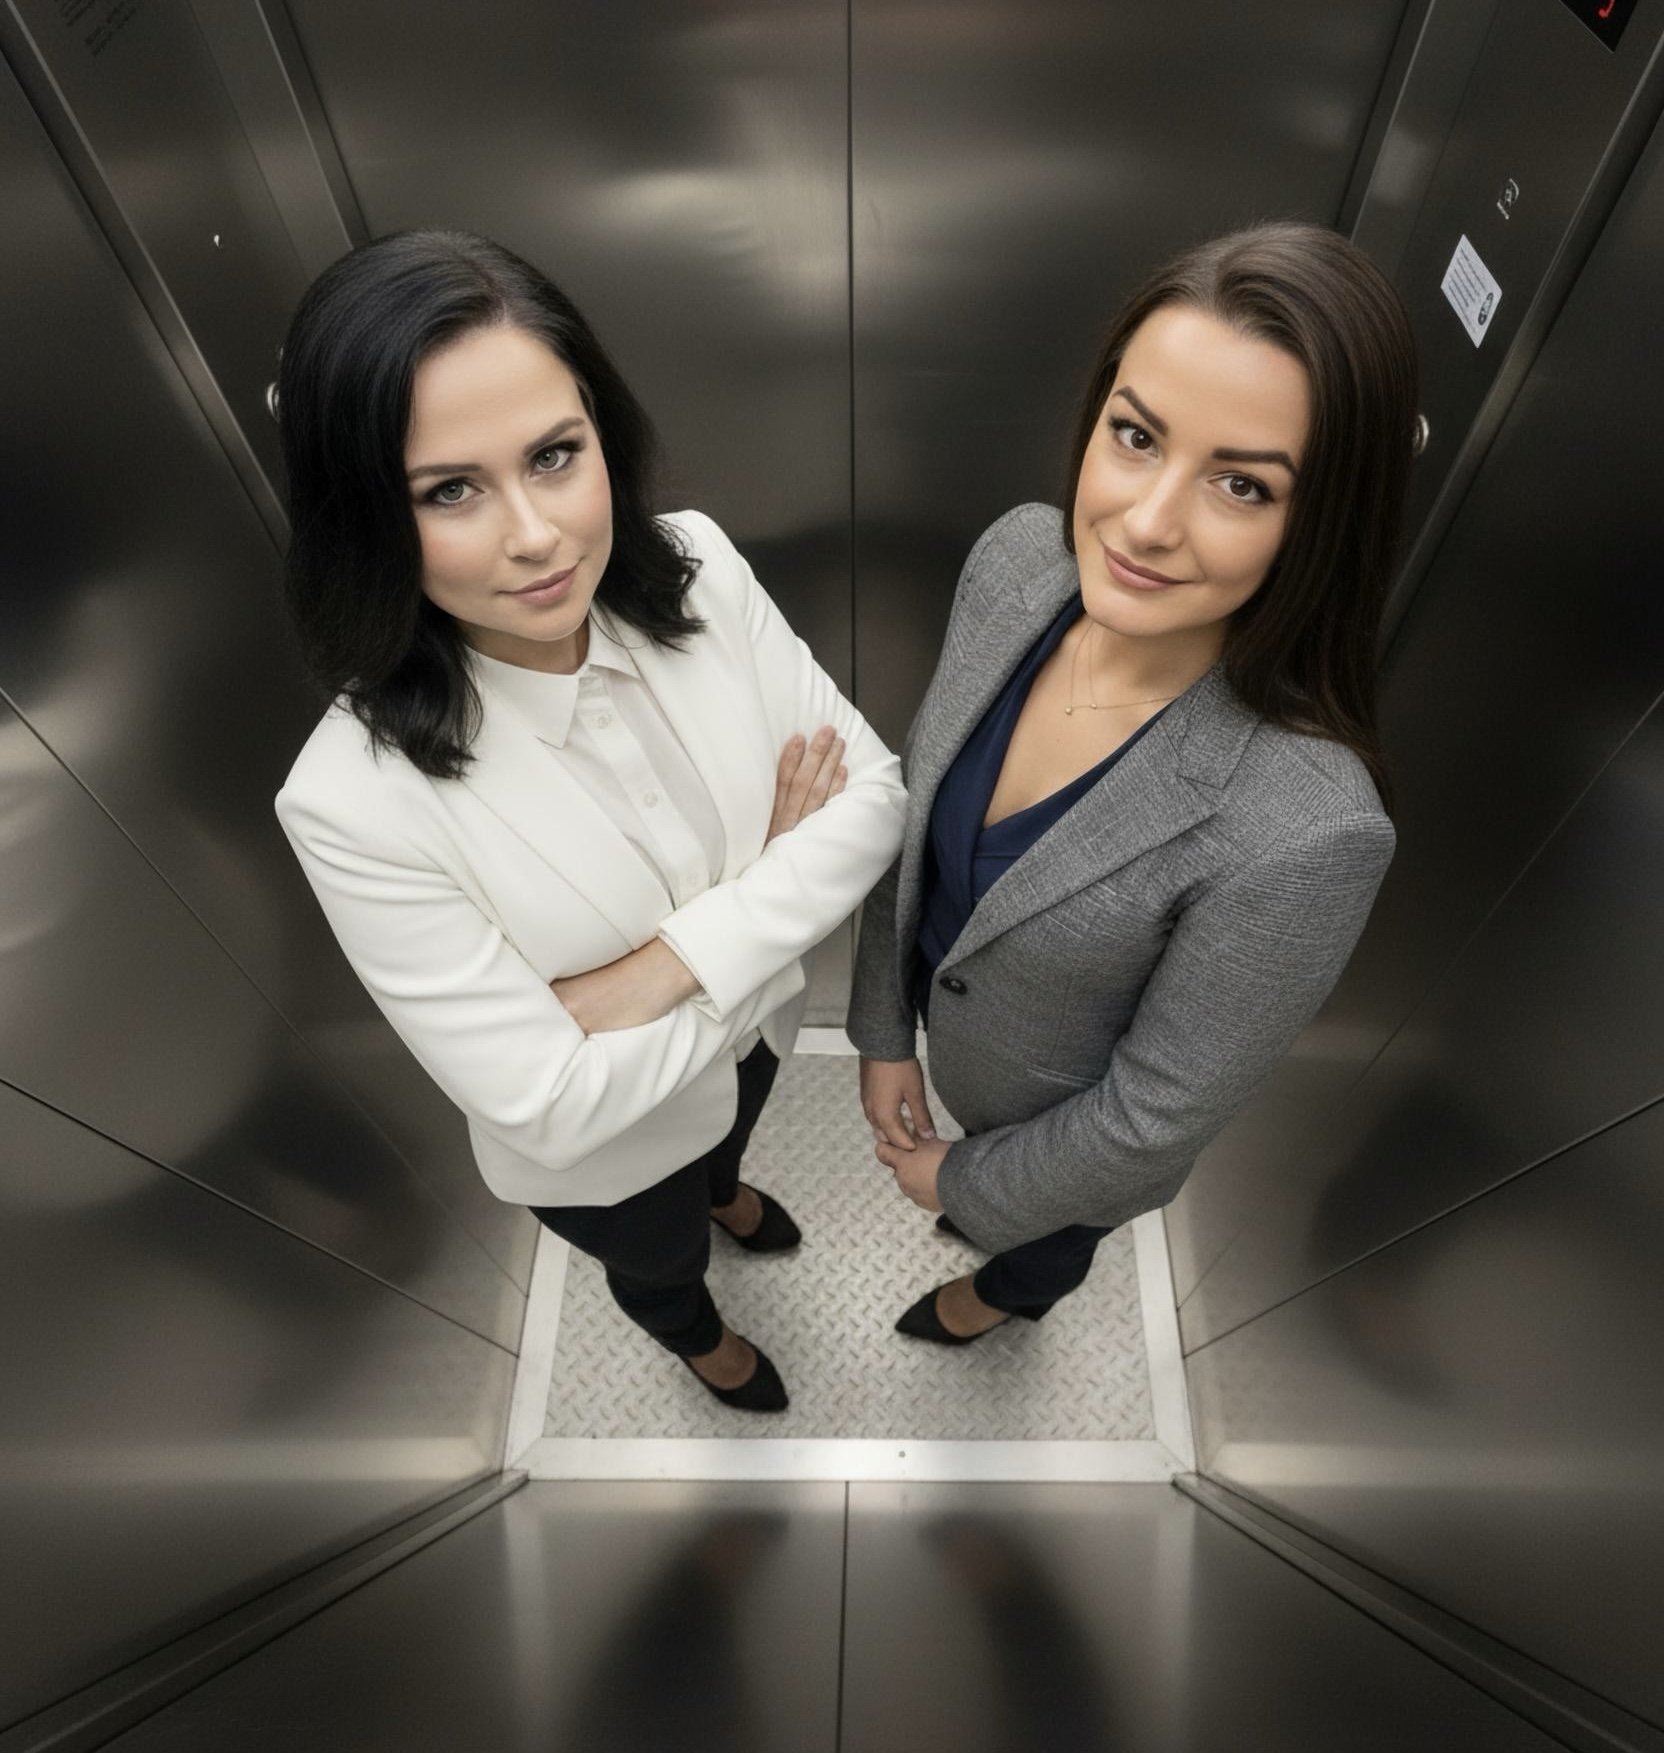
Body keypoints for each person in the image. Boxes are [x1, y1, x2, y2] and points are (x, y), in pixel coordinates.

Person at [275, 230, 905, 1410]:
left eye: (555, 455)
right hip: (611, 1161)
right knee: (655, 1263)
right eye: (449, 490)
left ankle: (726, 1189)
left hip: (756, 1038)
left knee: (729, 1141)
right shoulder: (349, 801)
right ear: (366, 515)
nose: (534, 533)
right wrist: (775, 880)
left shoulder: (700, 568)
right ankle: (697, 1338)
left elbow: (874, 802)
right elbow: (549, 1108)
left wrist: (657, 969)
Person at [848, 222, 1415, 1344]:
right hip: (939, 1055)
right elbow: (907, 816)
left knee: (1034, 1260)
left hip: (1058, 1152)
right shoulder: (1017, 559)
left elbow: (1150, 1121)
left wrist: (959, 1187)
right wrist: (880, 1030)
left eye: (1242, 485)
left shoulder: (1305, 827)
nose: (1147, 523)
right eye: (1135, 435)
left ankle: (992, 1303)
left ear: (1321, 523)